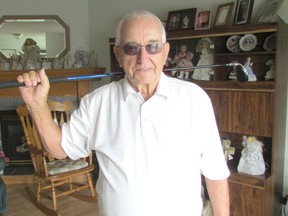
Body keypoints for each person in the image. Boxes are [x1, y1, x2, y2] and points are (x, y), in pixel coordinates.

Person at [16, 10, 230, 216]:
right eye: (131, 48)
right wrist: (37, 105)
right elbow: (59, 149)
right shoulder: (97, 103)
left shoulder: (194, 99)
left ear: (165, 52)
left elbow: (216, 173)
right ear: (118, 54)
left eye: (152, 46)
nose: (142, 58)